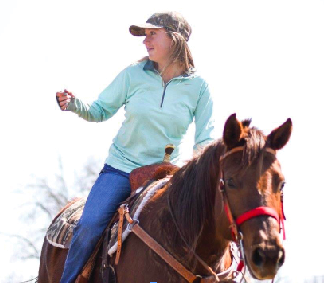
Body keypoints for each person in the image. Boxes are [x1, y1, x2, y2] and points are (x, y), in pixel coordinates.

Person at [56, 11, 216, 283]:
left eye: (153, 33)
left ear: (175, 39)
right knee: (88, 226)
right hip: (121, 169)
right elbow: (100, 110)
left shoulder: (198, 87)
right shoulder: (133, 74)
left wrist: (204, 178)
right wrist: (73, 104)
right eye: (145, 35)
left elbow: (205, 139)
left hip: (166, 177)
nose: (145, 41)